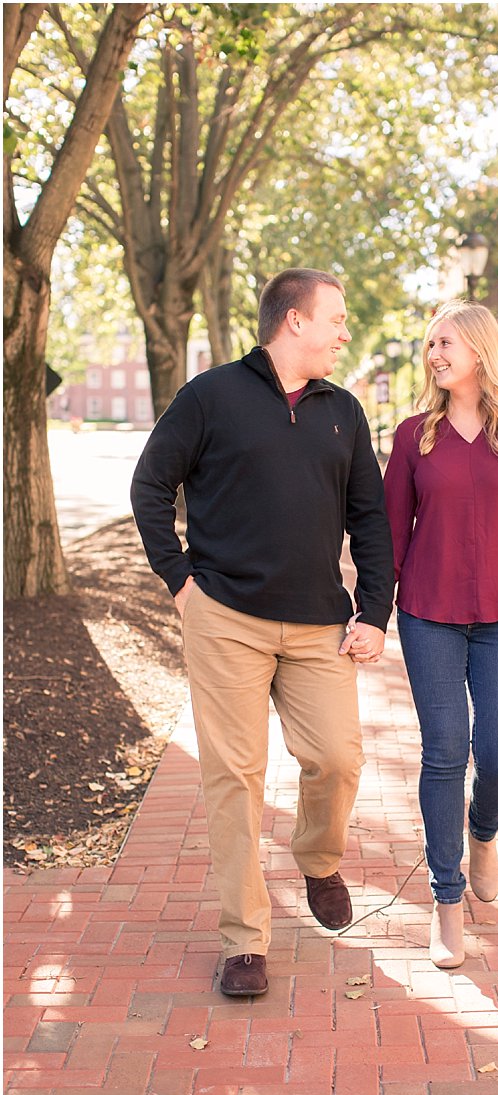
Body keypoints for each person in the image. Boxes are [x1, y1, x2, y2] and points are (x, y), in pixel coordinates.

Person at [131, 268, 394, 999]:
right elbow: (150, 486)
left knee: (338, 758)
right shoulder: (210, 396)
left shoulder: (343, 410)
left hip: (318, 624)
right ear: (295, 321)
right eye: (336, 318)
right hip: (226, 621)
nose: (345, 331)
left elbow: (369, 516)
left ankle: (317, 857)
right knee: (235, 780)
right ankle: (245, 939)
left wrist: (374, 611)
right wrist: (180, 582)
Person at [382, 300, 498, 970]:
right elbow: (389, 535)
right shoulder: (413, 437)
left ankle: (484, 830)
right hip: (428, 615)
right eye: (429, 344)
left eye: (446, 343)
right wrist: (372, 612)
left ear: (480, 351)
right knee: (443, 753)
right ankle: (446, 901)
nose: (434, 354)